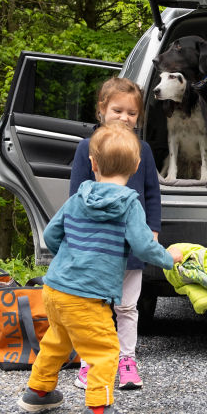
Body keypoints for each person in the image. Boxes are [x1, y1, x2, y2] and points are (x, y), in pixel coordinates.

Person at [17, 122, 183, 414]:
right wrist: (168, 259)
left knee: (57, 341)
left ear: (92, 164)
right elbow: (144, 245)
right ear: (136, 166)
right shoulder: (129, 203)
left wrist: (70, 256)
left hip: (55, 289)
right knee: (105, 349)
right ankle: (98, 410)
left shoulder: (79, 197)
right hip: (86, 297)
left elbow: (52, 235)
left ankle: (37, 392)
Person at [69, 77, 161, 391]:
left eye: (131, 113)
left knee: (126, 307)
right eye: (117, 110)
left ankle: (126, 361)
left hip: (132, 247)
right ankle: (90, 363)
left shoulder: (143, 150)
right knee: (94, 307)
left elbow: (151, 193)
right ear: (102, 111)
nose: (124, 117)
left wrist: (153, 230)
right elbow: (76, 197)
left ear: (139, 118)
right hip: (95, 248)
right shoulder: (87, 148)